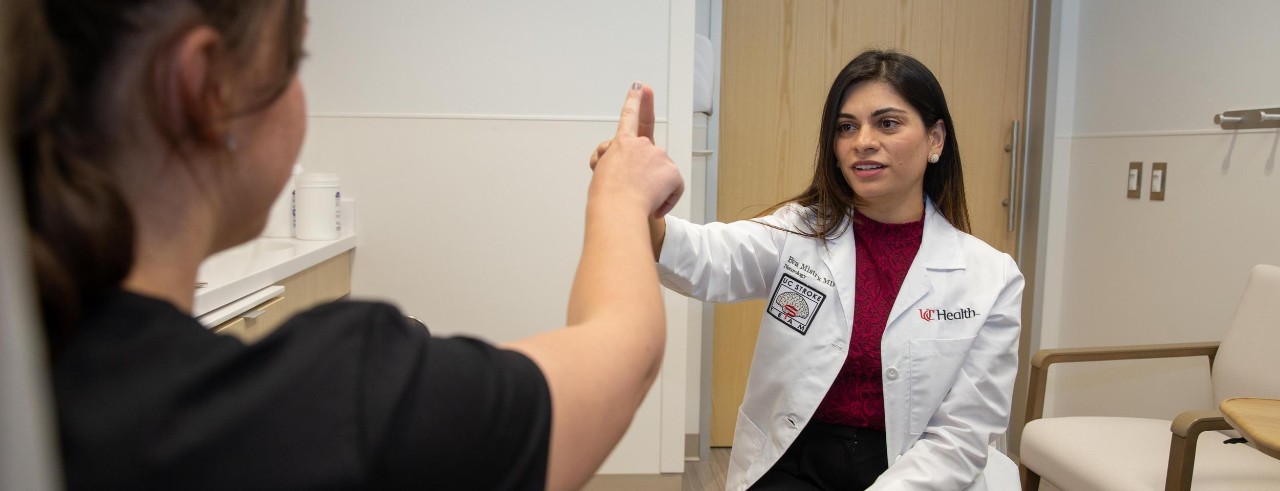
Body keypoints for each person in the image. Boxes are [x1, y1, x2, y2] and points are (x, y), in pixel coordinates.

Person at [9, 0, 683, 489]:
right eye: (295, 57)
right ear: (208, 86)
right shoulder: (338, 407)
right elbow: (624, 351)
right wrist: (620, 196)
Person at [612, 50, 1024, 490]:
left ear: (935, 139)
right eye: (846, 127)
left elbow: (961, 434)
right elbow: (712, 257)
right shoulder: (801, 231)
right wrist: (638, 202)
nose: (862, 141)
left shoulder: (991, 278)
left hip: (915, 469)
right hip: (795, 455)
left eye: (887, 123)